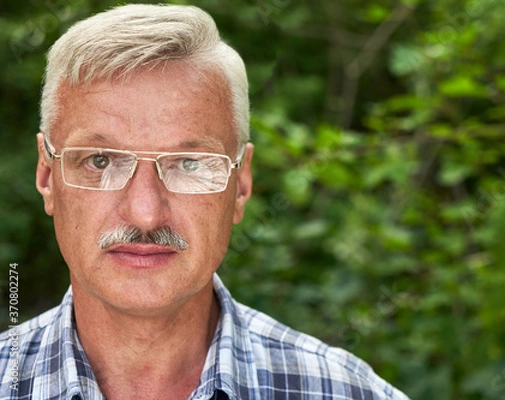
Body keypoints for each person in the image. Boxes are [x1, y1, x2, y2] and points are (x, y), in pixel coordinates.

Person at [0, 4, 409, 399]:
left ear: (242, 184)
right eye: (100, 161)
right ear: (46, 177)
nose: (145, 212)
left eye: (190, 164)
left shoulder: (346, 391)